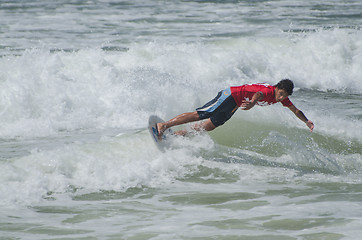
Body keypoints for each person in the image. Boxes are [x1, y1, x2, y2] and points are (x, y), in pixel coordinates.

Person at [157, 79, 314, 139]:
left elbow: (296, 110)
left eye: (284, 96)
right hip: (231, 95)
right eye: (280, 94)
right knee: (203, 114)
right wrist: (252, 103)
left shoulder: (283, 98)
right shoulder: (267, 91)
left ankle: (178, 135)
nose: (281, 98)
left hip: (236, 103)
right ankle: (165, 125)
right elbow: (258, 94)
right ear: (277, 87)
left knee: (212, 125)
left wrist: (306, 121)